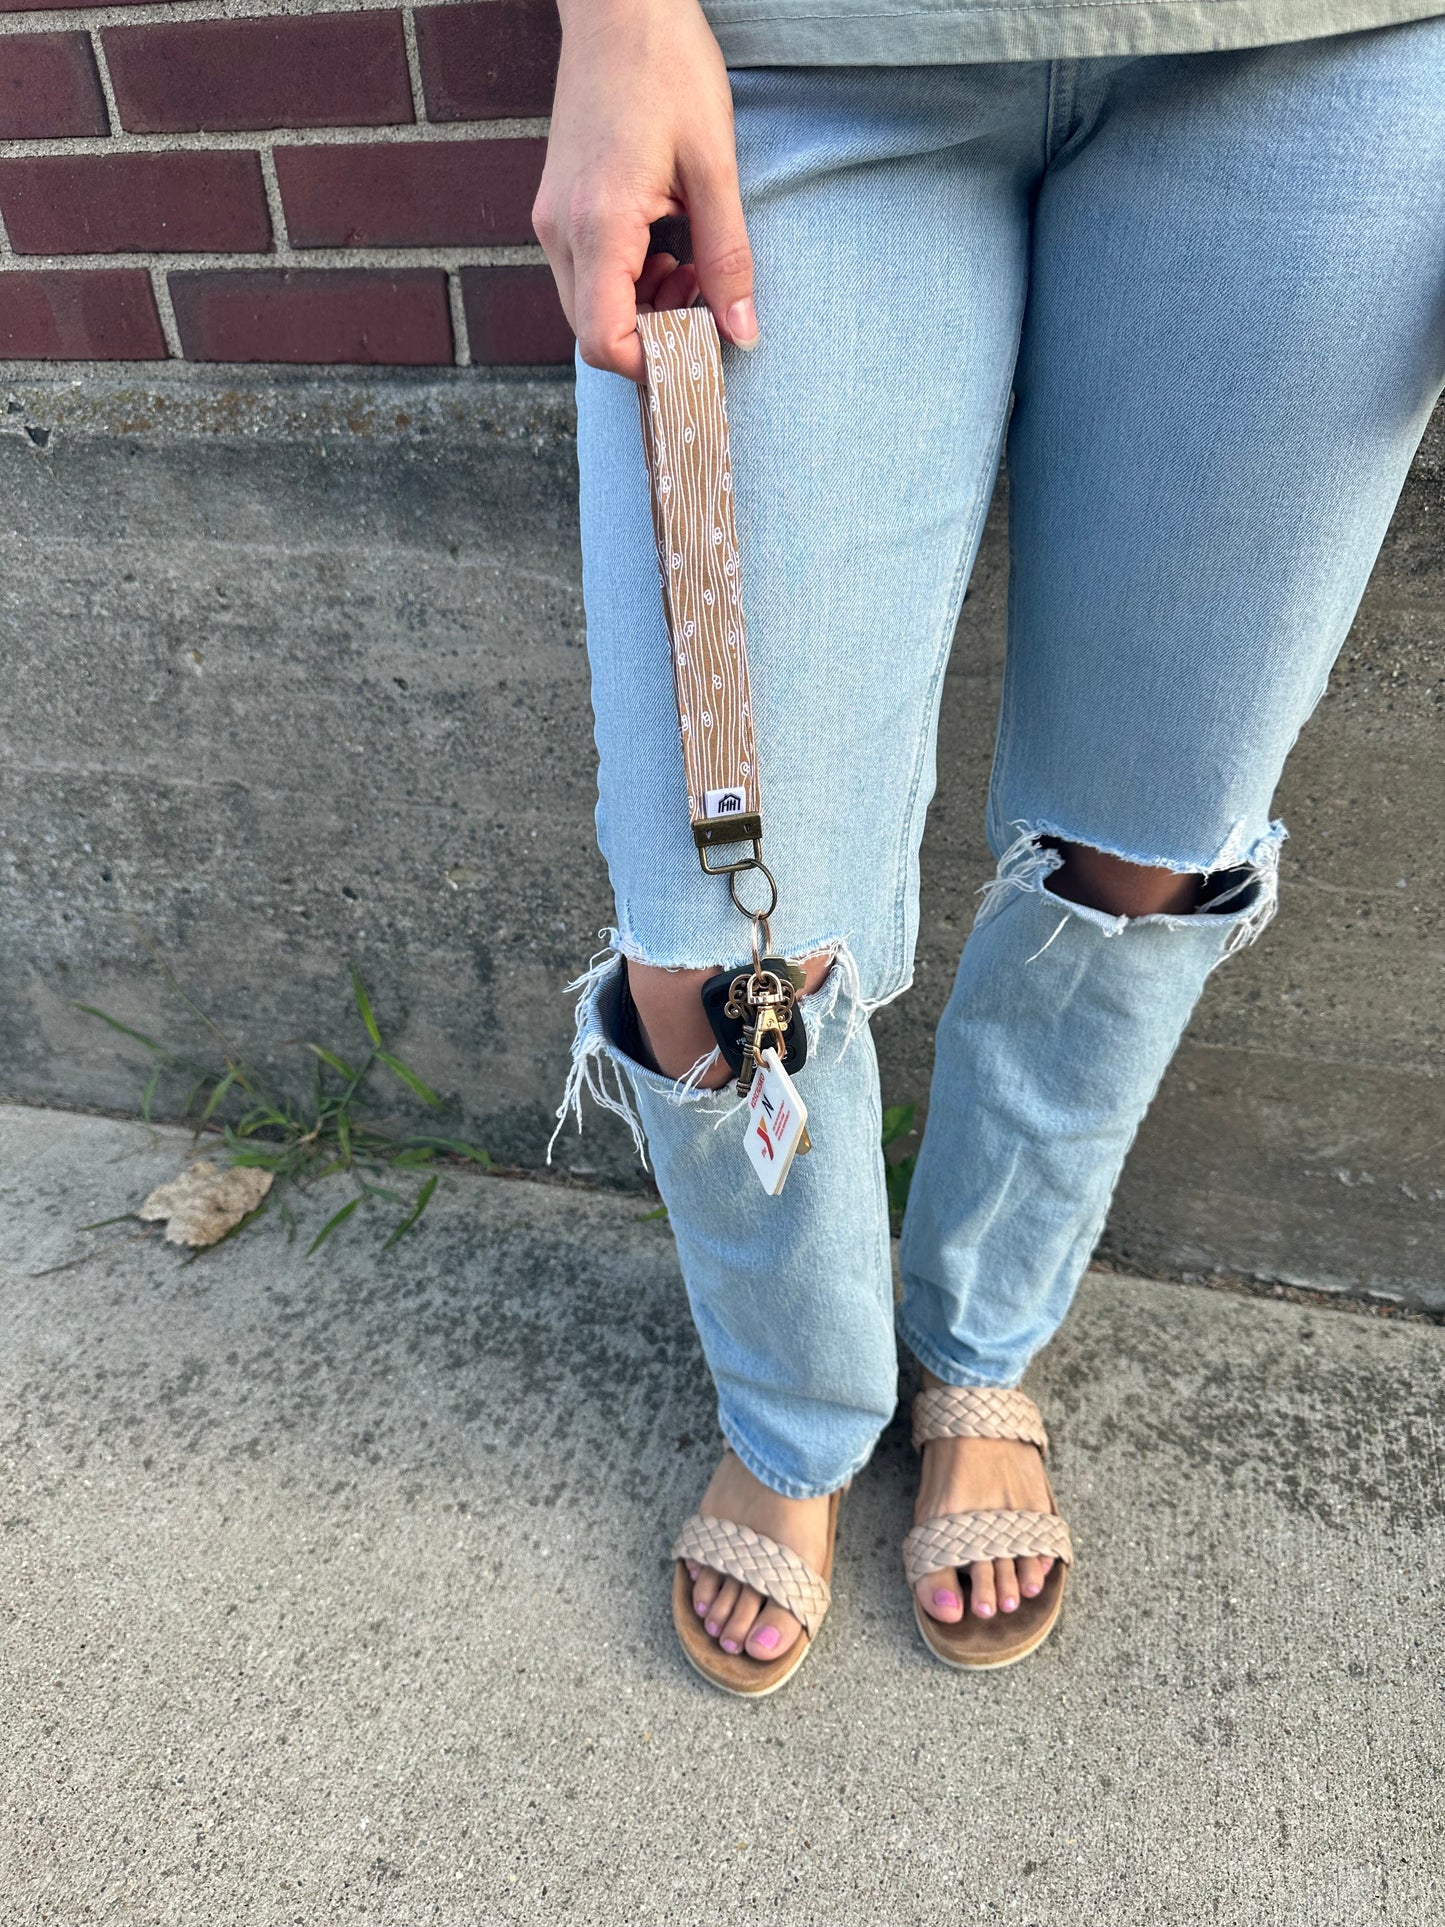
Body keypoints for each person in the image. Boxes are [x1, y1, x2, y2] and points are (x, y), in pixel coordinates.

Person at [534, 0, 1445, 1694]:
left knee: (1147, 837)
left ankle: (978, 1347)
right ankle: (797, 1413)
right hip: (785, 56)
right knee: (715, 922)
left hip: (1338, 56)